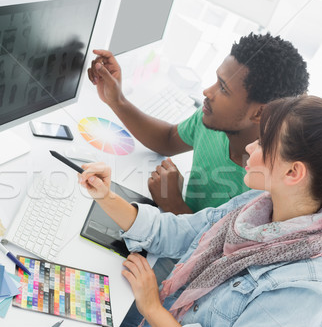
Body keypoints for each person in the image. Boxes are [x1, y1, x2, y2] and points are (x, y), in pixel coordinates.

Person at [78, 95, 322, 327]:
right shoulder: (252, 206)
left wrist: (152, 307)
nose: (251, 147)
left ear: (293, 173)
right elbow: (176, 233)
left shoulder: (310, 290)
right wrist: (105, 195)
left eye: (264, 143)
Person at [87, 33, 309, 215]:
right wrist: (117, 100)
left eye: (223, 88)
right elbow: (167, 139)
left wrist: (175, 206)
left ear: (259, 112)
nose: (208, 92)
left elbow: (224, 256)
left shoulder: (270, 189)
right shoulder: (213, 122)